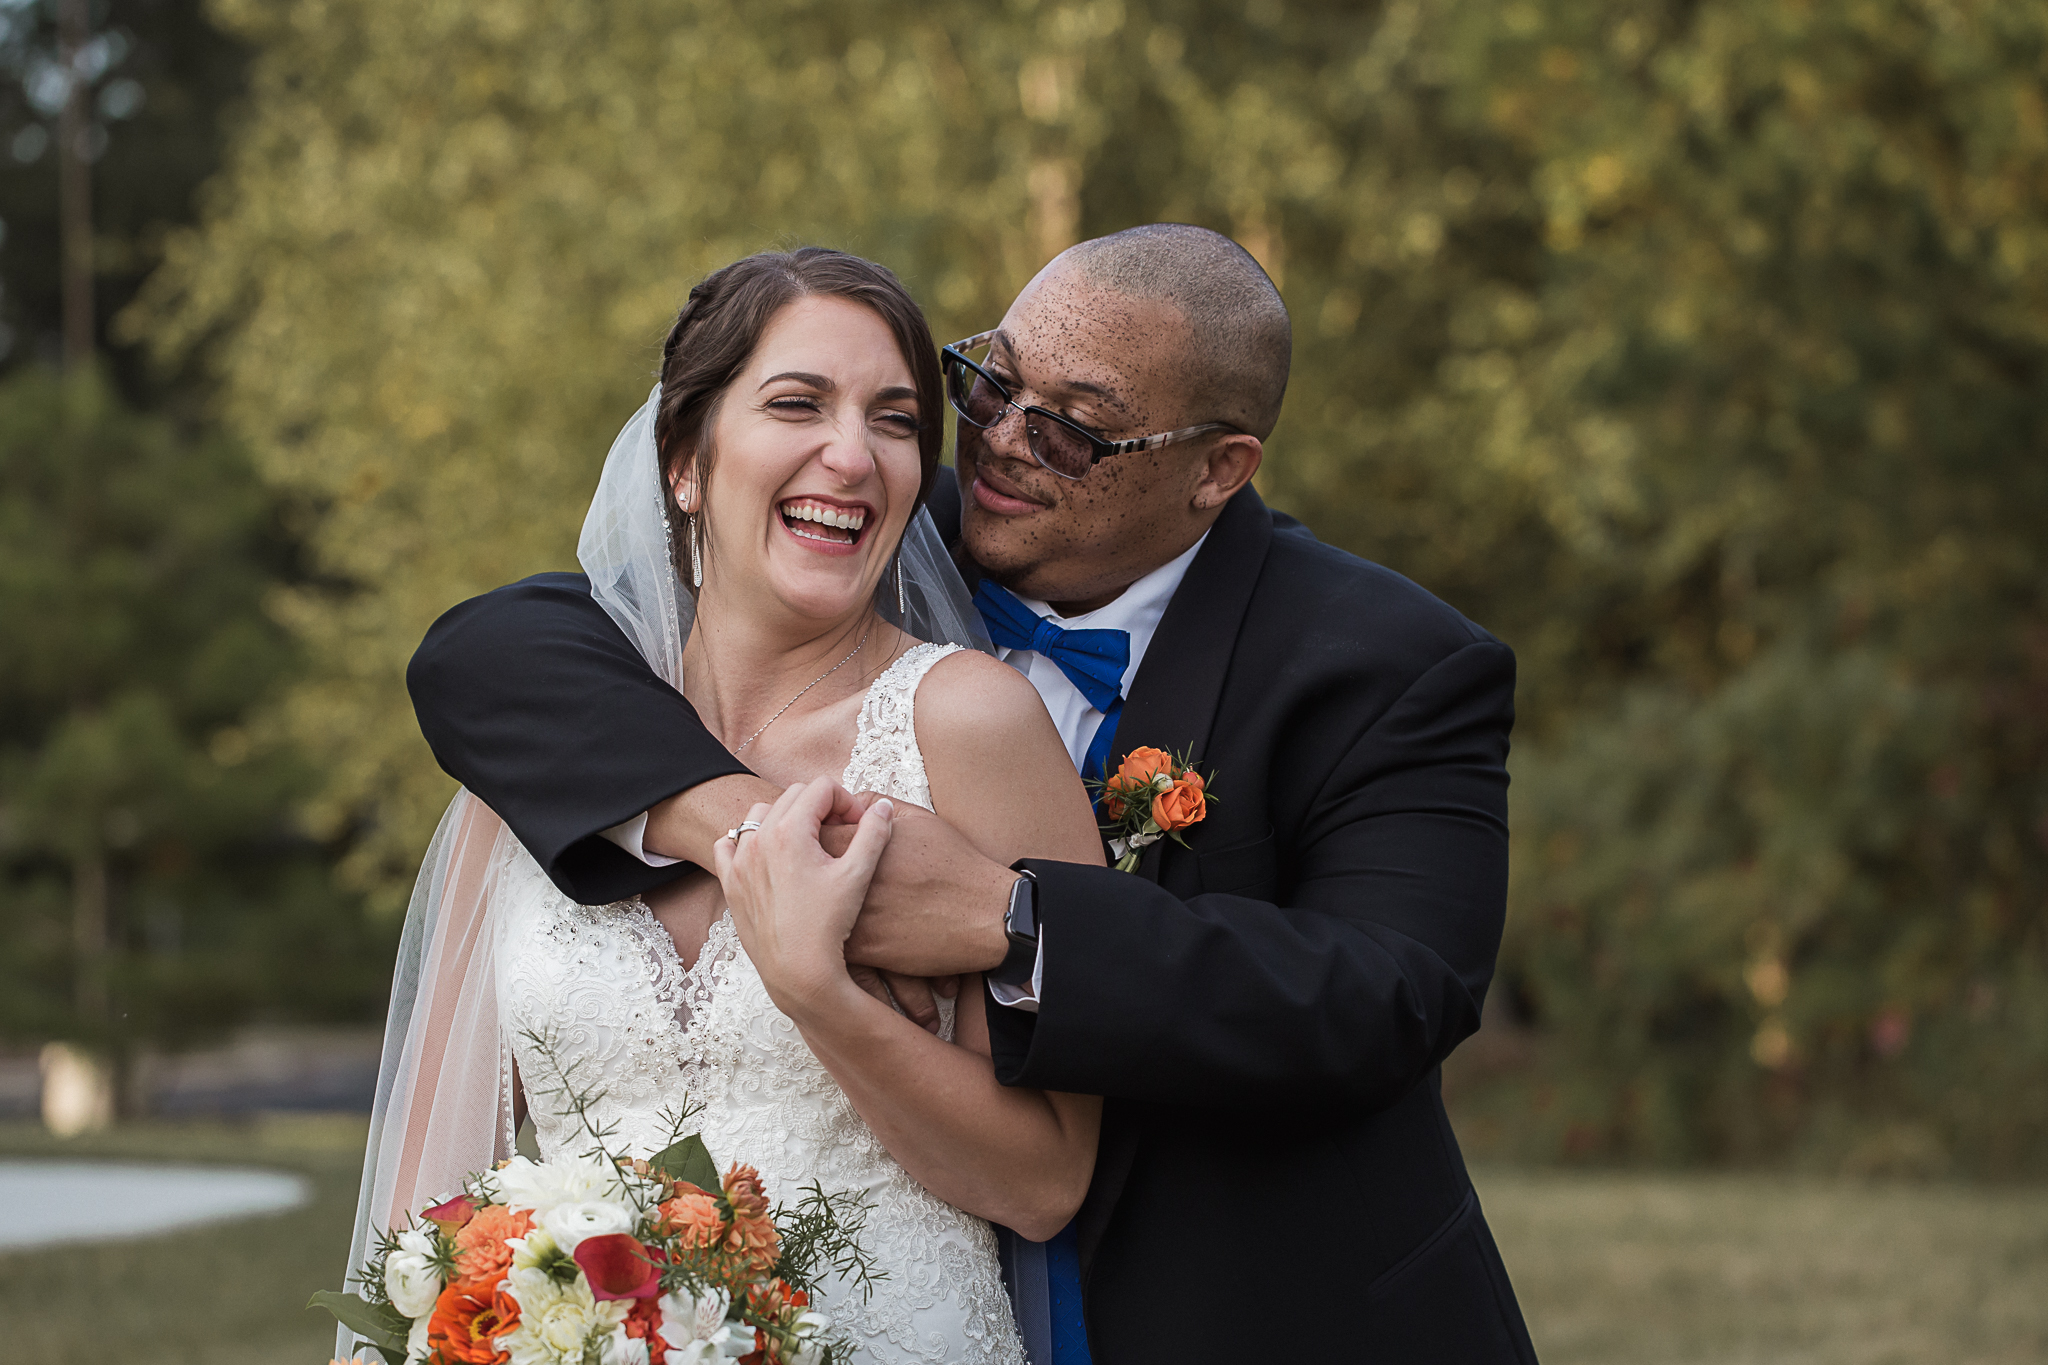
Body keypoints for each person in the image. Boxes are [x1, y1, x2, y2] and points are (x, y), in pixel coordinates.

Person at [410, 225, 1539, 1363]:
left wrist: (1018, 921)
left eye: (1067, 427)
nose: (995, 443)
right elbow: (488, 655)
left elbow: (1387, 997)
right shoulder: (877, 518)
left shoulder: (1385, 661)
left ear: (1215, 469)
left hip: (1255, 1304)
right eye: (988, 382)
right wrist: (761, 829)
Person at [350, 247, 1109, 1365]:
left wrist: (821, 994)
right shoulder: (535, 769)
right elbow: (416, 1230)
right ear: (683, 463)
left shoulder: (968, 726)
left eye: (894, 421)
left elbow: (1045, 1182)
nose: (849, 454)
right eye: (796, 402)